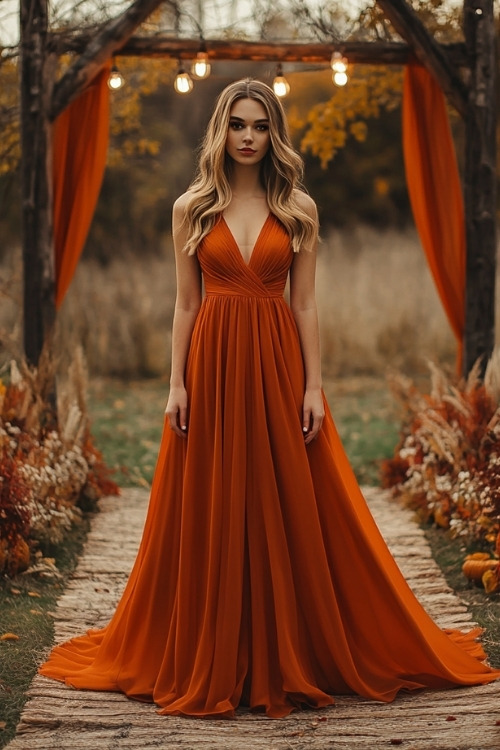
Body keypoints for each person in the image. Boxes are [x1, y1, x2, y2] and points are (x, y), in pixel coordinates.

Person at [39, 78, 500, 718]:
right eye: (238, 125)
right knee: (215, 495)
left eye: (259, 125)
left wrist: (314, 386)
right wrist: (176, 383)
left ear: (274, 132)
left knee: (291, 493)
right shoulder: (190, 207)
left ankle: (290, 642)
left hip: (278, 360)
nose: (249, 137)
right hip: (213, 361)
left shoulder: (299, 208)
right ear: (220, 132)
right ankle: (218, 645)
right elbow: (185, 302)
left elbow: (305, 302)